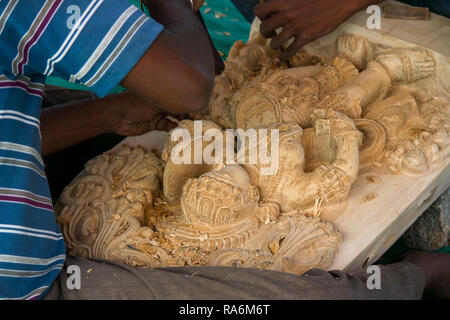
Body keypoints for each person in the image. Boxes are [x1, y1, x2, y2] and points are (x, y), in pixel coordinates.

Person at [0, 0, 448, 300]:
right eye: (224, 193)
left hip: (272, 109)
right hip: (28, 286)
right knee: (273, 299)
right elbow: (189, 86)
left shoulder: (201, 165)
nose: (217, 184)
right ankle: (421, 276)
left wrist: (105, 116)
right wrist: (341, 141)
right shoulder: (283, 192)